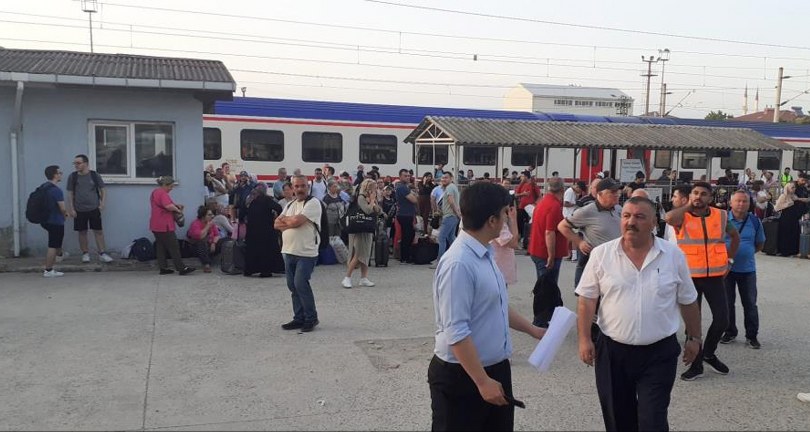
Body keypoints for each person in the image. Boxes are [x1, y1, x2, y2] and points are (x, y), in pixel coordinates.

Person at [576, 196, 702, 432]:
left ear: (654, 222)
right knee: (618, 418)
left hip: (658, 353)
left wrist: (694, 338)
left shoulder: (673, 256)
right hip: (613, 351)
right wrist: (584, 338)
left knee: (652, 420)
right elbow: (587, 299)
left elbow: (688, 300)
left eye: (639, 217)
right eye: (626, 216)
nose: (631, 222)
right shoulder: (602, 254)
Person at [428, 181, 546, 431]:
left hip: (494, 369)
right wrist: (482, 381)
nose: (507, 219)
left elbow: (497, 305)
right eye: (505, 213)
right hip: (464, 375)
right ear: (492, 220)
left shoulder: (485, 253)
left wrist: (533, 330)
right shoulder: (459, 263)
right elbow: (456, 330)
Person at [665, 181, 740, 381]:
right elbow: (668, 218)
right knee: (693, 323)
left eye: (703, 194)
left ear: (711, 197)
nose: (699, 197)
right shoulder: (683, 216)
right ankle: (696, 365)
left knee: (722, 320)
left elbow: (735, 236)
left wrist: (729, 260)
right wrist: (689, 205)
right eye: (695, 193)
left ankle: (708, 352)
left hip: (715, 276)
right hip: (690, 277)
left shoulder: (721, 215)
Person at [274, 175, 322, 333]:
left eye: (303, 186)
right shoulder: (290, 204)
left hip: (306, 252)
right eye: (297, 186)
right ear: (292, 188)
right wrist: (291, 221)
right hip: (288, 251)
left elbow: (295, 222)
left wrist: (288, 221)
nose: (300, 189)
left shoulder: (313, 203)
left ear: (308, 187)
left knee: (301, 283)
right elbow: (276, 224)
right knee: (292, 286)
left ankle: (311, 318)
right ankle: (298, 318)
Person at [558, 178, 622, 288]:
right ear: (600, 194)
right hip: (599, 266)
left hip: (617, 264)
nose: (617, 194)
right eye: (612, 192)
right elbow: (562, 226)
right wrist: (580, 242)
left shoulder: (618, 209)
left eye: (617, 192)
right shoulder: (587, 211)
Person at [720, 190, 765, 349]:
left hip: (747, 270)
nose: (741, 204)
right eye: (738, 201)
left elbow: (760, 244)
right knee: (727, 303)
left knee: (750, 304)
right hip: (726, 270)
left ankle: (752, 336)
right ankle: (730, 332)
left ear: (749, 203)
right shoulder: (722, 220)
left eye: (744, 201)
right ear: (730, 203)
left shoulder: (755, 221)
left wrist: (746, 253)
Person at [527, 178, 567, 327]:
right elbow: (549, 232)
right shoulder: (554, 206)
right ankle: (542, 319)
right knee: (547, 288)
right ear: (562, 190)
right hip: (546, 253)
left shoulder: (543, 202)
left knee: (544, 286)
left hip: (537, 250)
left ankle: (545, 317)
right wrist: (551, 255)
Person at [66, 154, 113, 263]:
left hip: (94, 208)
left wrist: (102, 203)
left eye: (78, 163)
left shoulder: (94, 175)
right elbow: (70, 193)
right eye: (75, 163)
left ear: (86, 163)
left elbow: (103, 189)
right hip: (79, 209)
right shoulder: (73, 177)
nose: (76, 165)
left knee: (98, 231)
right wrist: (72, 209)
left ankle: (102, 253)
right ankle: (85, 253)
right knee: (82, 232)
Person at [150, 176, 195, 276]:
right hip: (164, 225)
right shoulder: (162, 193)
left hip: (155, 225)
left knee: (160, 246)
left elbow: (165, 205)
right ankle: (181, 268)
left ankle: (163, 268)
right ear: (165, 185)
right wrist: (178, 211)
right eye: (170, 186)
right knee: (173, 246)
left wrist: (176, 206)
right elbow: (168, 206)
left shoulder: (155, 192)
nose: (172, 188)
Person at [342, 179, 381, 288]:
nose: (375, 190)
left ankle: (364, 277)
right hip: (358, 229)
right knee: (358, 254)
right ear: (368, 188)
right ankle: (347, 277)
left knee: (366, 254)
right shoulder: (360, 198)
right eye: (374, 188)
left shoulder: (372, 198)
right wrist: (372, 201)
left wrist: (374, 202)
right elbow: (367, 211)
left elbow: (378, 210)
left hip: (368, 228)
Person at [244, 183, 284, 278]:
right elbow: (278, 208)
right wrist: (276, 217)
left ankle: (250, 270)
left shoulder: (249, 201)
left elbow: (242, 213)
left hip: (252, 231)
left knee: (252, 251)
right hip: (266, 230)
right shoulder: (267, 200)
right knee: (267, 251)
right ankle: (266, 271)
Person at [39, 165, 68, 277]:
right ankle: (49, 270)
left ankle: (61, 254)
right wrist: (66, 214)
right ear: (55, 175)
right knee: (53, 245)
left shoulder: (44, 187)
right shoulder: (56, 190)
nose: (61, 174)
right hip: (55, 221)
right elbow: (62, 208)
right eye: (59, 173)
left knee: (56, 242)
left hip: (45, 220)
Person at [492, 182, 519, 286]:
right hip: (499, 270)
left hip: (498, 269)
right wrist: (513, 219)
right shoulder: (497, 222)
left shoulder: (497, 218)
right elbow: (514, 243)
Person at [434, 172, 461, 267]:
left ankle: (439, 261)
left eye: (446, 178)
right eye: (442, 178)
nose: (443, 180)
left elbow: (451, 201)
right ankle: (458, 256)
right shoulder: (453, 187)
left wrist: (457, 213)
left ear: (451, 178)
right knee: (451, 237)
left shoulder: (449, 187)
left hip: (449, 216)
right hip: (452, 216)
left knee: (441, 237)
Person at [775, 182, 809, 256]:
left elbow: (805, 200)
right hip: (785, 219)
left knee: (793, 234)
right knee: (785, 235)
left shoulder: (795, 196)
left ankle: (793, 251)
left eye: (794, 187)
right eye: (792, 187)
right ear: (787, 188)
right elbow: (776, 208)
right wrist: (788, 204)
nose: (794, 189)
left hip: (794, 218)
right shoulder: (783, 196)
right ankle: (784, 251)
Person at [187, 205, 222, 273]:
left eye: (212, 214)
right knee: (202, 242)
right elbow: (200, 237)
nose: (212, 216)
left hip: (210, 245)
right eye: (209, 215)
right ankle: (206, 264)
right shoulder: (195, 224)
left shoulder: (211, 223)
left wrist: (213, 243)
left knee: (225, 241)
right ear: (203, 216)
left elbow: (217, 235)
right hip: (197, 247)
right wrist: (207, 226)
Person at [395, 168, 418, 264]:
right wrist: (414, 194)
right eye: (405, 176)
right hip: (405, 214)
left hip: (405, 213)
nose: (408, 177)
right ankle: (405, 257)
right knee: (407, 235)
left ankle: (405, 256)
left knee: (407, 234)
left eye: (409, 176)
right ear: (400, 177)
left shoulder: (404, 187)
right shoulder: (402, 187)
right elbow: (414, 200)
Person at [514, 171, 541, 244]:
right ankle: (520, 238)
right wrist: (523, 194)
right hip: (521, 207)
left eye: (522, 176)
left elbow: (539, 195)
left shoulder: (533, 185)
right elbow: (516, 195)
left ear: (526, 176)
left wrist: (535, 204)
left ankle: (526, 239)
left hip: (529, 207)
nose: (521, 178)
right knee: (519, 224)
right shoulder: (521, 185)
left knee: (528, 223)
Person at [563, 181, 585, 260]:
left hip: (570, 215)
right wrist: (575, 204)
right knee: (573, 236)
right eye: (580, 190)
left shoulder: (572, 192)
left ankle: (570, 254)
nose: (580, 192)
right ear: (577, 187)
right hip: (569, 216)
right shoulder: (570, 192)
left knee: (570, 236)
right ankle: (573, 255)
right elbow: (565, 203)